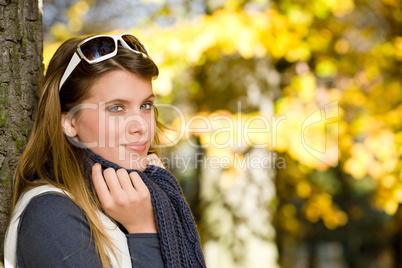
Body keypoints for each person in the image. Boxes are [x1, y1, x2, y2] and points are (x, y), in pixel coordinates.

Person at [4, 33, 206, 268]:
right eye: (116, 108)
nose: (140, 126)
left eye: (146, 105)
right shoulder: (51, 215)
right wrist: (144, 230)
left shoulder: (144, 196)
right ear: (70, 122)